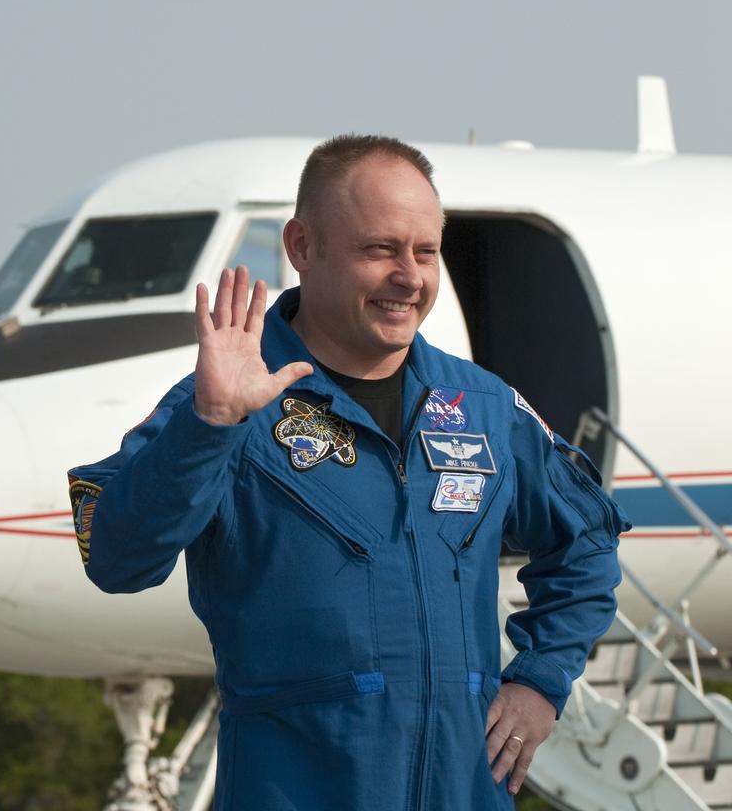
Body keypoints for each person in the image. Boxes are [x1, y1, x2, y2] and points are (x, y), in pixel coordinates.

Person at [68, 135, 627, 810]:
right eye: (380, 250)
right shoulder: (224, 405)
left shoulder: (480, 406)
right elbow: (118, 558)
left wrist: (539, 681)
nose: (410, 277)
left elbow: (588, 540)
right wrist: (210, 426)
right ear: (303, 247)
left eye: (426, 252)